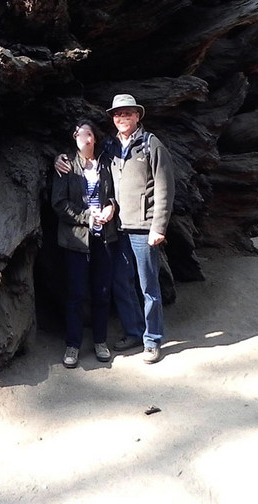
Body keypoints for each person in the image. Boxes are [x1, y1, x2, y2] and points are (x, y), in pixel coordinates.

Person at [102, 93, 174, 363]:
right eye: (118, 114)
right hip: (118, 228)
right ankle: (133, 331)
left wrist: (159, 226)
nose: (122, 118)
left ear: (137, 116)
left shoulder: (150, 144)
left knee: (148, 285)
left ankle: (152, 339)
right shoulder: (110, 147)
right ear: (113, 118)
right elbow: (103, 181)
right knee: (121, 282)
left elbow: (166, 187)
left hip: (145, 228)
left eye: (128, 113)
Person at [50, 121, 121, 367]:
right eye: (81, 134)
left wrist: (111, 207)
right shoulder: (66, 165)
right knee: (76, 294)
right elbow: (58, 203)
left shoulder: (104, 165)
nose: (85, 138)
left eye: (89, 134)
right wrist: (87, 217)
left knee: (102, 292)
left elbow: (112, 195)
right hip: (76, 241)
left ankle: (100, 341)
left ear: (95, 139)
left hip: (104, 238)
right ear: (74, 137)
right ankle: (73, 345)